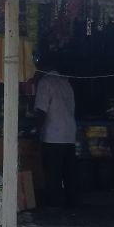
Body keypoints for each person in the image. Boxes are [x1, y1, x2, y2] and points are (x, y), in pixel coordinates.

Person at [34, 62, 78, 209]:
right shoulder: (66, 83)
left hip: (53, 135)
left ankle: (54, 205)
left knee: (53, 172)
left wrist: (36, 132)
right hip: (69, 134)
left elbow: (41, 110)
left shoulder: (45, 82)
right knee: (68, 172)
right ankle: (72, 203)